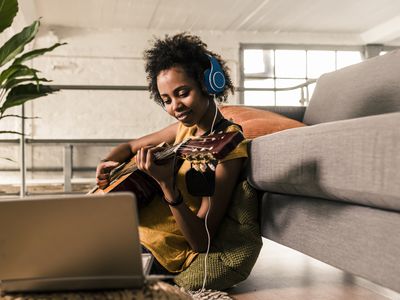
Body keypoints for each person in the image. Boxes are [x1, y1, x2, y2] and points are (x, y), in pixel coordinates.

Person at [95, 33, 248, 275]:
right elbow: (129, 146)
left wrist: (167, 184)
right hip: (129, 231)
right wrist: (107, 163)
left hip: (162, 250)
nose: (174, 106)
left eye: (183, 93)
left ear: (209, 84)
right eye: (166, 100)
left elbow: (202, 240)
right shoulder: (183, 130)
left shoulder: (228, 146)